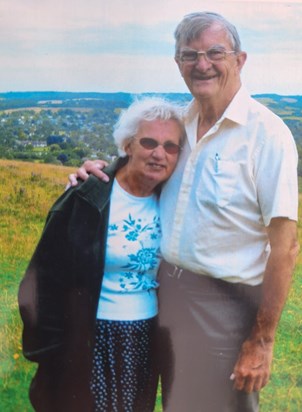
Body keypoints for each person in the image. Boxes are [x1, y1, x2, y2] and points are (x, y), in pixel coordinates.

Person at [69, 11, 299, 412]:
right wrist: (94, 174)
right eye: (189, 55)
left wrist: (261, 341)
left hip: (224, 307)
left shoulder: (268, 135)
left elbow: (286, 248)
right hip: (165, 294)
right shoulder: (179, 125)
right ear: (178, 64)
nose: (202, 64)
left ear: (239, 60)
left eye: (214, 53)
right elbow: (139, 164)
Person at [18, 97, 185, 412]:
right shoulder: (86, 195)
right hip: (88, 336)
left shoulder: (174, 197)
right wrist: (51, 353)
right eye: (148, 142)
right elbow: (42, 279)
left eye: (170, 146)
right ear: (127, 145)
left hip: (144, 338)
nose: (159, 154)